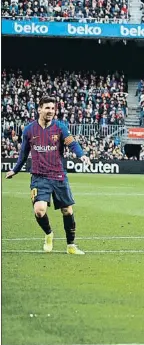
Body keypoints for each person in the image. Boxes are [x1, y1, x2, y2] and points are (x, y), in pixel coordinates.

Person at [6, 96, 91, 255]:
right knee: (39, 210)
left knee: (67, 210)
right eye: (47, 108)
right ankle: (49, 234)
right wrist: (15, 170)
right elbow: (23, 154)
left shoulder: (60, 127)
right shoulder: (29, 130)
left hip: (58, 175)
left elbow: (72, 143)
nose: (50, 111)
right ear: (39, 109)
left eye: (53, 108)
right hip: (39, 177)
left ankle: (71, 246)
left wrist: (82, 155)